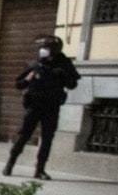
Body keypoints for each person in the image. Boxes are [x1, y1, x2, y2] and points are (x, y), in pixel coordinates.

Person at [5, 35, 80, 179]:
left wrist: (63, 76)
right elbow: (19, 84)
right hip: (34, 106)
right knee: (24, 135)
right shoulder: (35, 64)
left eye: (46, 47)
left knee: (47, 138)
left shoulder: (64, 64)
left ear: (54, 50)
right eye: (42, 47)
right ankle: (10, 163)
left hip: (51, 107)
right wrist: (28, 79)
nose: (42, 50)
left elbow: (73, 84)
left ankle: (40, 170)